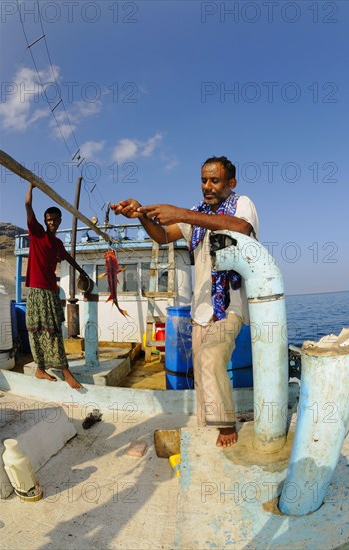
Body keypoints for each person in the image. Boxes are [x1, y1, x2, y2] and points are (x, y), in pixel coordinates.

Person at [110, 156, 259, 447]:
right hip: (200, 309)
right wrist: (142, 214)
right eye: (203, 180)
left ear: (231, 182)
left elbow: (241, 228)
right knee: (203, 375)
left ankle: (225, 425)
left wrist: (182, 213)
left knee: (210, 358)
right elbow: (164, 235)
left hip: (230, 305)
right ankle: (208, 426)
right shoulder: (197, 213)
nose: (207, 186)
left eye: (214, 180)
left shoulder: (242, 204)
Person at [25, 183, 89, 389]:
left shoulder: (58, 244)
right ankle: (42, 369)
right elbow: (27, 205)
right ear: (45, 221)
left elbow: (68, 258)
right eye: (48, 220)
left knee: (52, 330)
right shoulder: (37, 233)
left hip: (51, 291)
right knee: (36, 331)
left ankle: (63, 369)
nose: (51, 223)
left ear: (59, 221)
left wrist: (81, 271)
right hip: (35, 290)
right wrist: (31, 187)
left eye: (54, 220)